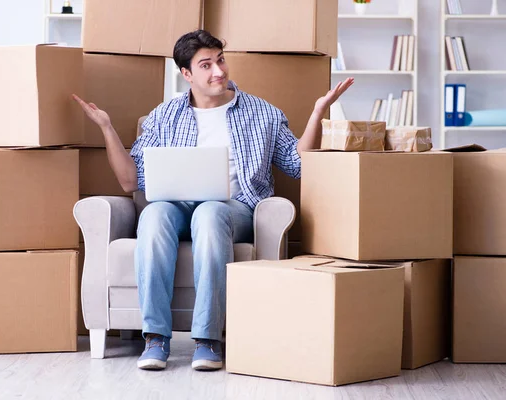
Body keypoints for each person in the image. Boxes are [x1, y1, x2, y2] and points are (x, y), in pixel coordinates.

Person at [73, 30, 353, 371]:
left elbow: (298, 166)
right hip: (176, 206)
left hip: (233, 210)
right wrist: (106, 128)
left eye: (220, 60)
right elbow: (131, 180)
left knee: (209, 212)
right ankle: (155, 338)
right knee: (154, 214)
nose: (218, 71)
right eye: (205, 65)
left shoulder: (261, 112)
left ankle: (207, 340)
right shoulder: (165, 116)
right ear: (186, 74)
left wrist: (317, 114)